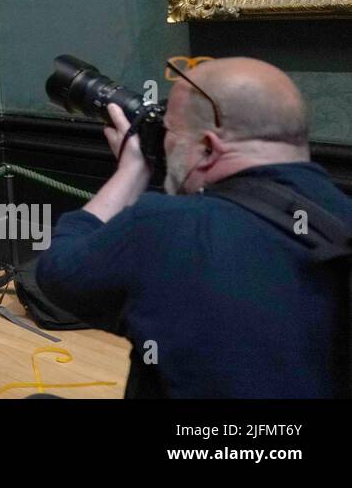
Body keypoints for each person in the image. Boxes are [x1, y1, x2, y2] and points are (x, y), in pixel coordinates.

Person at [36, 57, 352, 397]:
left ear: (207, 147)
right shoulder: (341, 217)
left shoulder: (164, 228)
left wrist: (131, 171)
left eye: (169, 131)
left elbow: (57, 273)